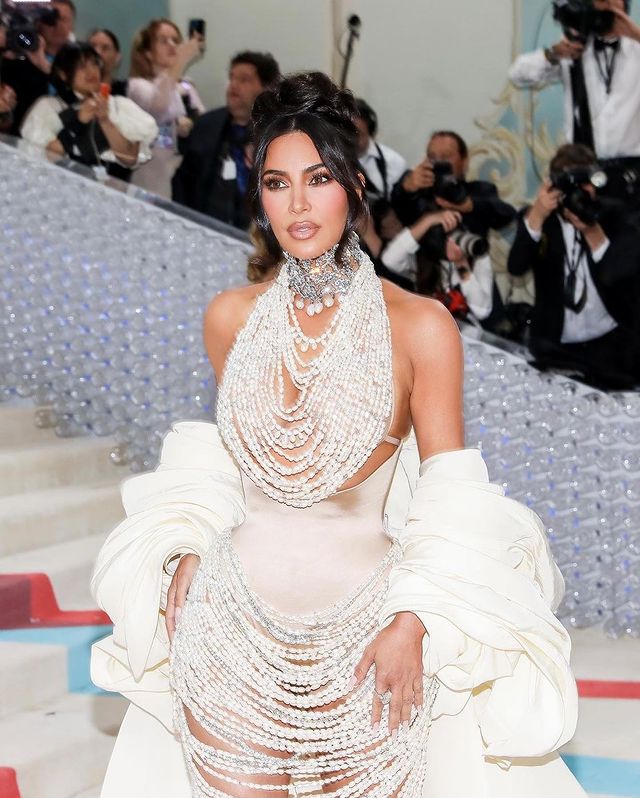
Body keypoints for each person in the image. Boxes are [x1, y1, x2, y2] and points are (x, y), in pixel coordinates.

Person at [90, 72, 587, 798]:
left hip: (369, 633)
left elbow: (450, 495)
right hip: (228, 625)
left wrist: (414, 622)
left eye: (318, 178)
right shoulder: (229, 318)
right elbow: (235, 462)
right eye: (276, 182)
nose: (297, 203)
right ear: (259, 197)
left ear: (354, 186)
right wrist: (184, 545)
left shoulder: (420, 326)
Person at [508, 143, 640, 387]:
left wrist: (593, 233)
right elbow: (516, 267)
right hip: (555, 344)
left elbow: (621, 278)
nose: (580, 194)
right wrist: (537, 216)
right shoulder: (542, 220)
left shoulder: (616, 216)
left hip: (610, 344)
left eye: (586, 186)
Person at [509, 0, 640, 202]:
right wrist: (553, 54)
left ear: (625, 12)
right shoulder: (574, 49)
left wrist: (636, 34)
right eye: (601, 5)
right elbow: (517, 75)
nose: (606, 12)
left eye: (613, 8)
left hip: (632, 172)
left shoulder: (637, 49)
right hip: (583, 169)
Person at [171, 51, 281, 229]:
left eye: (244, 80)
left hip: (257, 235)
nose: (234, 85)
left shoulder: (279, 134)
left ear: (266, 88)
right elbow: (183, 182)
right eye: (232, 78)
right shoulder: (207, 125)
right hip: (206, 228)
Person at [21, 42, 157, 173]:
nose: (91, 71)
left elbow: (130, 159)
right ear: (63, 74)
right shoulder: (48, 107)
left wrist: (105, 121)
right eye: (81, 67)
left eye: (94, 64)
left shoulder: (118, 105)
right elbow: (46, 155)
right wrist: (78, 121)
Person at [127, 18, 205, 198]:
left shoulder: (186, 86)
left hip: (181, 182)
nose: (172, 45)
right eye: (163, 41)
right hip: (149, 184)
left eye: (175, 40)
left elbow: (204, 125)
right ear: (148, 52)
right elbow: (158, 107)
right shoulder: (137, 86)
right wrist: (181, 59)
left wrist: (192, 124)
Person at [391, 130, 516, 238]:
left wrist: (469, 205)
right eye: (432, 157)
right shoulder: (417, 191)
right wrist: (407, 187)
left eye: (445, 156)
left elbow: (506, 215)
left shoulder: (478, 190)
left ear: (464, 162)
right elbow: (394, 208)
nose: (438, 162)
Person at [382, 209, 497, 325]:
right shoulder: (423, 264)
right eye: (448, 235)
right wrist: (428, 220)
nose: (455, 241)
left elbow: (482, 311)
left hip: (467, 332)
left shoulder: (477, 252)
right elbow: (389, 259)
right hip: (429, 328)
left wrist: (462, 265)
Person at [0, 0, 76, 134]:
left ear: (72, 26)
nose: (56, 25)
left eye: (64, 19)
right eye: (51, 18)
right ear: (38, 22)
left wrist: (44, 66)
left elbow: (75, 100)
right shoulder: (18, 56)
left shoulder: (78, 61)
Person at [88, 29, 127, 96]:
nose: (97, 52)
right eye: (92, 47)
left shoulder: (125, 92)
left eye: (105, 48)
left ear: (117, 57)